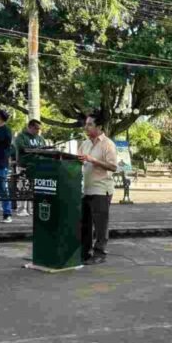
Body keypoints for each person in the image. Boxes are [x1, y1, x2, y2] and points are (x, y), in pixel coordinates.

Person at [77, 113, 117, 265]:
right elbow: (77, 160)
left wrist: (93, 160)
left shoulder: (108, 144)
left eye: (89, 124)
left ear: (99, 127)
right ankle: (85, 252)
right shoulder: (85, 144)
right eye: (86, 124)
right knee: (85, 223)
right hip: (86, 189)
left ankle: (100, 253)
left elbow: (113, 166)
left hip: (101, 189)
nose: (86, 127)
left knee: (100, 225)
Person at [14, 119, 47, 216]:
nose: (38, 131)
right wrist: (36, 150)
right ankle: (21, 209)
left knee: (35, 188)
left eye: (39, 129)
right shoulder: (21, 137)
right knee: (23, 187)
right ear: (30, 127)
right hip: (23, 166)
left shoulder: (40, 138)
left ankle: (32, 208)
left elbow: (44, 150)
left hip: (37, 166)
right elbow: (22, 148)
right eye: (36, 128)